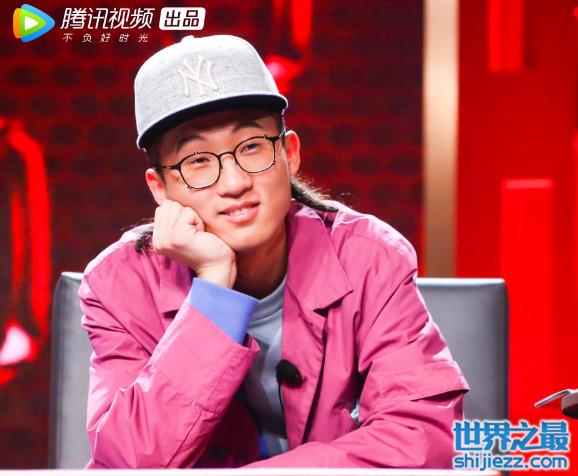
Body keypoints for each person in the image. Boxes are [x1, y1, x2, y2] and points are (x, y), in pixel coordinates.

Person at [79, 34, 469, 469]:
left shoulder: (369, 257)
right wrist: (214, 289)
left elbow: (424, 438)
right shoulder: (118, 285)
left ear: (290, 153)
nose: (234, 183)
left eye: (251, 147)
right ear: (160, 188)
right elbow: (129, 463)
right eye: (198, 161)